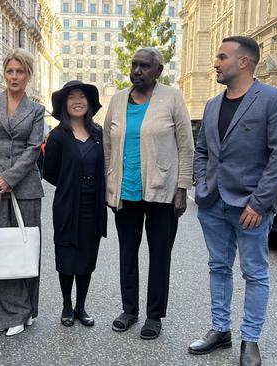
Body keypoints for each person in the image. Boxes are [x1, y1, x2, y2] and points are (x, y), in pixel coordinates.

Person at [188, 36, 277, 366]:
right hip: (213, 202)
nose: (216, 63)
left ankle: (250, 339)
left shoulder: (274, 100)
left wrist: (259, 203)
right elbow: (203, 150)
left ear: (244, 62)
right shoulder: (212, 105)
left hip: (251, 206)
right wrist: (202, 182)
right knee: (218, 267)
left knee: (255, 273)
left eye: (222, 57)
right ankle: (221, 330)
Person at [103, 47, 194, 340]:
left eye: (145, 66)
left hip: (162, 194)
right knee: (127, 254)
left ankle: (154, 316)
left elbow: (186, 146)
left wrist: (182, 189)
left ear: (158, 71)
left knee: (159, 256)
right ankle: (129, 310)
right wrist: (110, 185)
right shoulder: (117, 101)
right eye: (134, 65)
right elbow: (107, 146)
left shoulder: (172, 98)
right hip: (126, 193)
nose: (137, 70)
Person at [0, 48, 45, 337]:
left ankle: (25, 309)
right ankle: (8, 313)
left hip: (26, 187)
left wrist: (11, 177)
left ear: (28, 75)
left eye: (20, 71)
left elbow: (33, 149)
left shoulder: (36, 109)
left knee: (24, 249)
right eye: (10, 71)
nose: (14, 76)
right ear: (4, 73)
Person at [43, 80, 106, 327]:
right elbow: (49, 171)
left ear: (89, 103)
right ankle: (67, 305)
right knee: (67, 255)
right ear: (64, 105)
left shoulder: (99, 134)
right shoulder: (58, 136)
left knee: (87, 256)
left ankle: (81, 305)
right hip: (68, 205)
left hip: (93, 204)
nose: (78, 101)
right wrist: (70, 183)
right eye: (72, 98)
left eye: (82, 97)